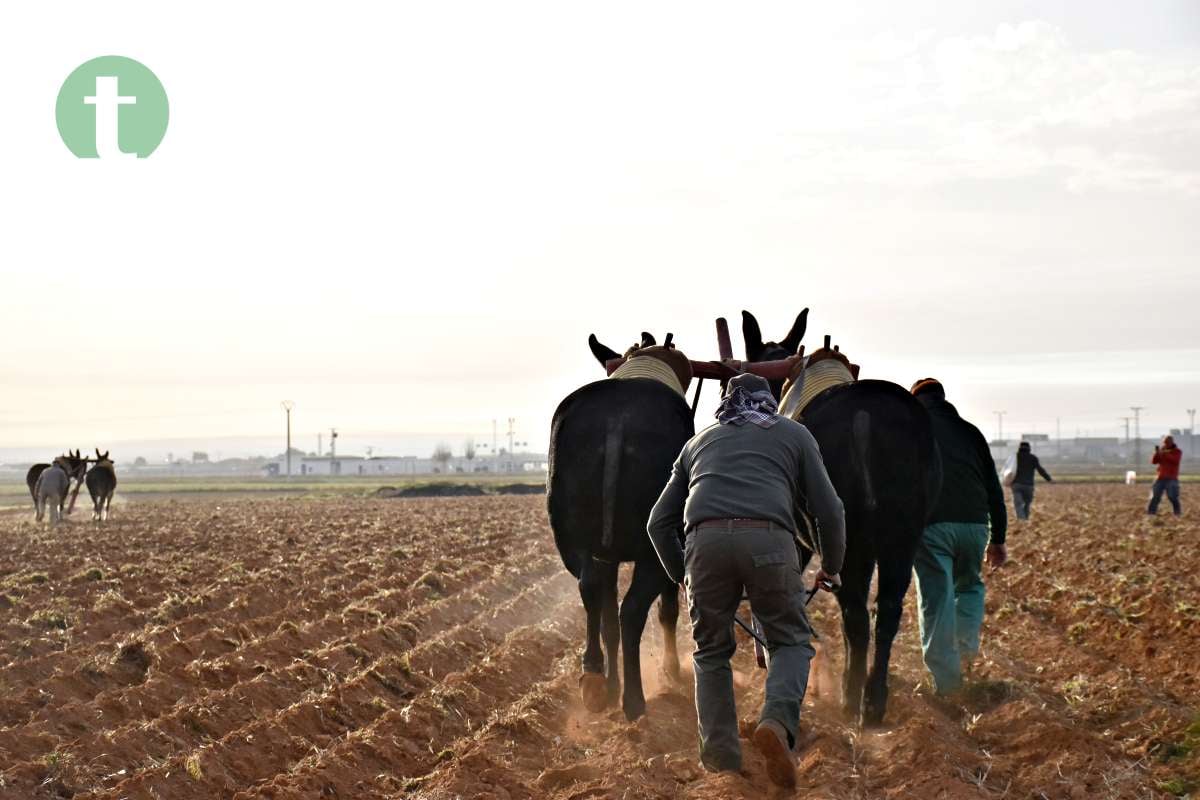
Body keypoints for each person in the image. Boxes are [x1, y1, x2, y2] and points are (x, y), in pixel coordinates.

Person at [646, 373, 845, 788]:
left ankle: (721, 761)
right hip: (769, 540)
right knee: (790, 640)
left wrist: (680, 572)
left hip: (703, 543)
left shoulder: (697, 443)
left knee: (710, 652)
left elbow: (657, 522)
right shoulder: (795, 434)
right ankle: (775, 722)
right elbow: (830, 510)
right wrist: (832, 564)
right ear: (768, 401)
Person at [909, 378, 1007, 695]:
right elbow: (994, 486)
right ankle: (965, 656)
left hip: (932, 525)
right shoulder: (971, 432)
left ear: (915, 400)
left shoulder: (913, 430)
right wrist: (998, 539)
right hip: (976, 526)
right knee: (970, 587)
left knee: (936, 600)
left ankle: (948, 685)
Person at [1011, 441, 1053, 520]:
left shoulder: (1015, 457)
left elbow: (1008, 469)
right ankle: (1025, 519)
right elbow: (1040, 470)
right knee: (1027, 504)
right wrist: (1048, 479)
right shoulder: (1033, 458)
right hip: (1029, 485)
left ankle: (1021, 520)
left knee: (1018, 504)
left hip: (1017, 485)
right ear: (1029, 448)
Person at [1148, 435, 1183, 515]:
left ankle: (1177, 513)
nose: (1165, 444)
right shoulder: (1162, 451)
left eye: (1167, 442)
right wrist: (1157, 453)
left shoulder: (1177, 451)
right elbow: (1154, 461)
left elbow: (1175, 461)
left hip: (1172, 478)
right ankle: (1151, 514)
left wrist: (1163, 453)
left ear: (1171, 442)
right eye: (1164, 442)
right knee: (1155, 497)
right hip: (1160, 478)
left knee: (1172, 497)